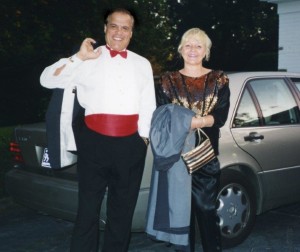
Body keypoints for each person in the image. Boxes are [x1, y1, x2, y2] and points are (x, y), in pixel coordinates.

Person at [40, 7, 156, 252]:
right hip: (94, 145)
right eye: (114, 25)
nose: (119, 32)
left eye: (125, 27)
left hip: (130, 146)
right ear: (105, 28)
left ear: (131, 33)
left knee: (122, 212)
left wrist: (142, 140)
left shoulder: (142, 64)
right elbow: (47, 79)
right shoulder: (86, 58)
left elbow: (148, 106)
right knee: (87, 211)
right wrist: (78, 58)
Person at [146, 28, 230, 252]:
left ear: (206, 51)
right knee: (180, 214)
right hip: (176, 156)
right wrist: (193, 121)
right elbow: (161, 117)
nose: (193, 50)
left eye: (199, 45)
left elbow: (220, 117)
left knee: (206, 210)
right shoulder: (166, 80)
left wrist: (195, 123)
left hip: (205, 156)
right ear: (181, 49)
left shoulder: (218, 80)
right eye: (188, 45)